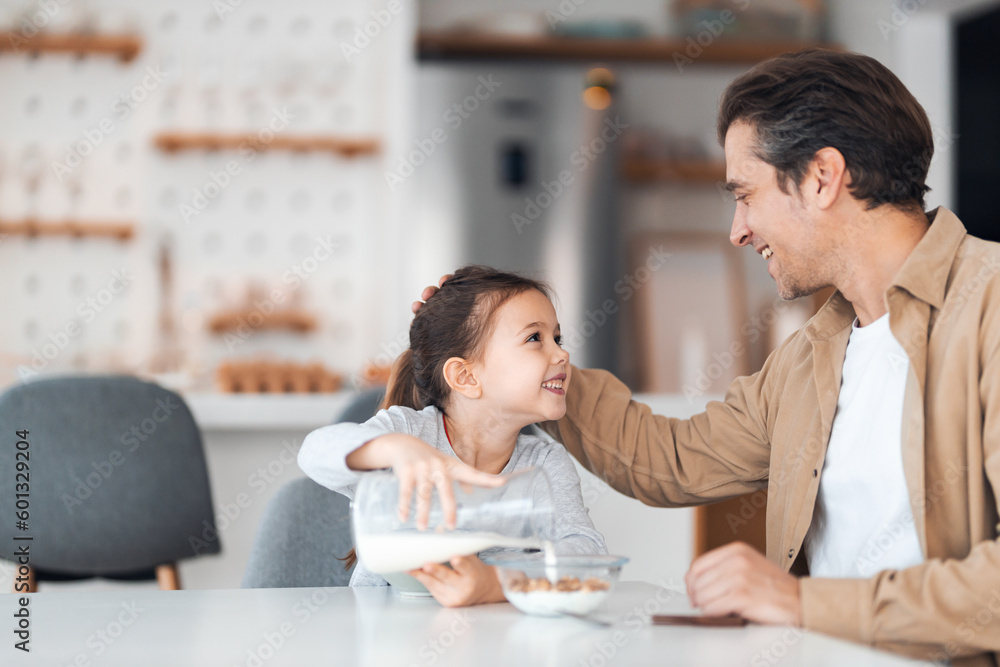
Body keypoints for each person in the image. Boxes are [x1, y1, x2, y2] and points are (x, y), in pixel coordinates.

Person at [414, 50, 1000, 664]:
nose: (737, 230)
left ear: (823, 177)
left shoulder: (986, 312)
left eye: (746, 194)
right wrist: (520, 364)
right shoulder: (814, 354)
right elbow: (672, 460)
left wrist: (801, 604)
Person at [299, 265, 607, 608]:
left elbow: (587, 553)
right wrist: (391, 448)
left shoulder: (545, 464)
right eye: (535, 338)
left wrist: (498, 584)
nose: (562, 354)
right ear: (464, 376)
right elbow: (313, 452)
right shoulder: (407, 434)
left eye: (557, 338)